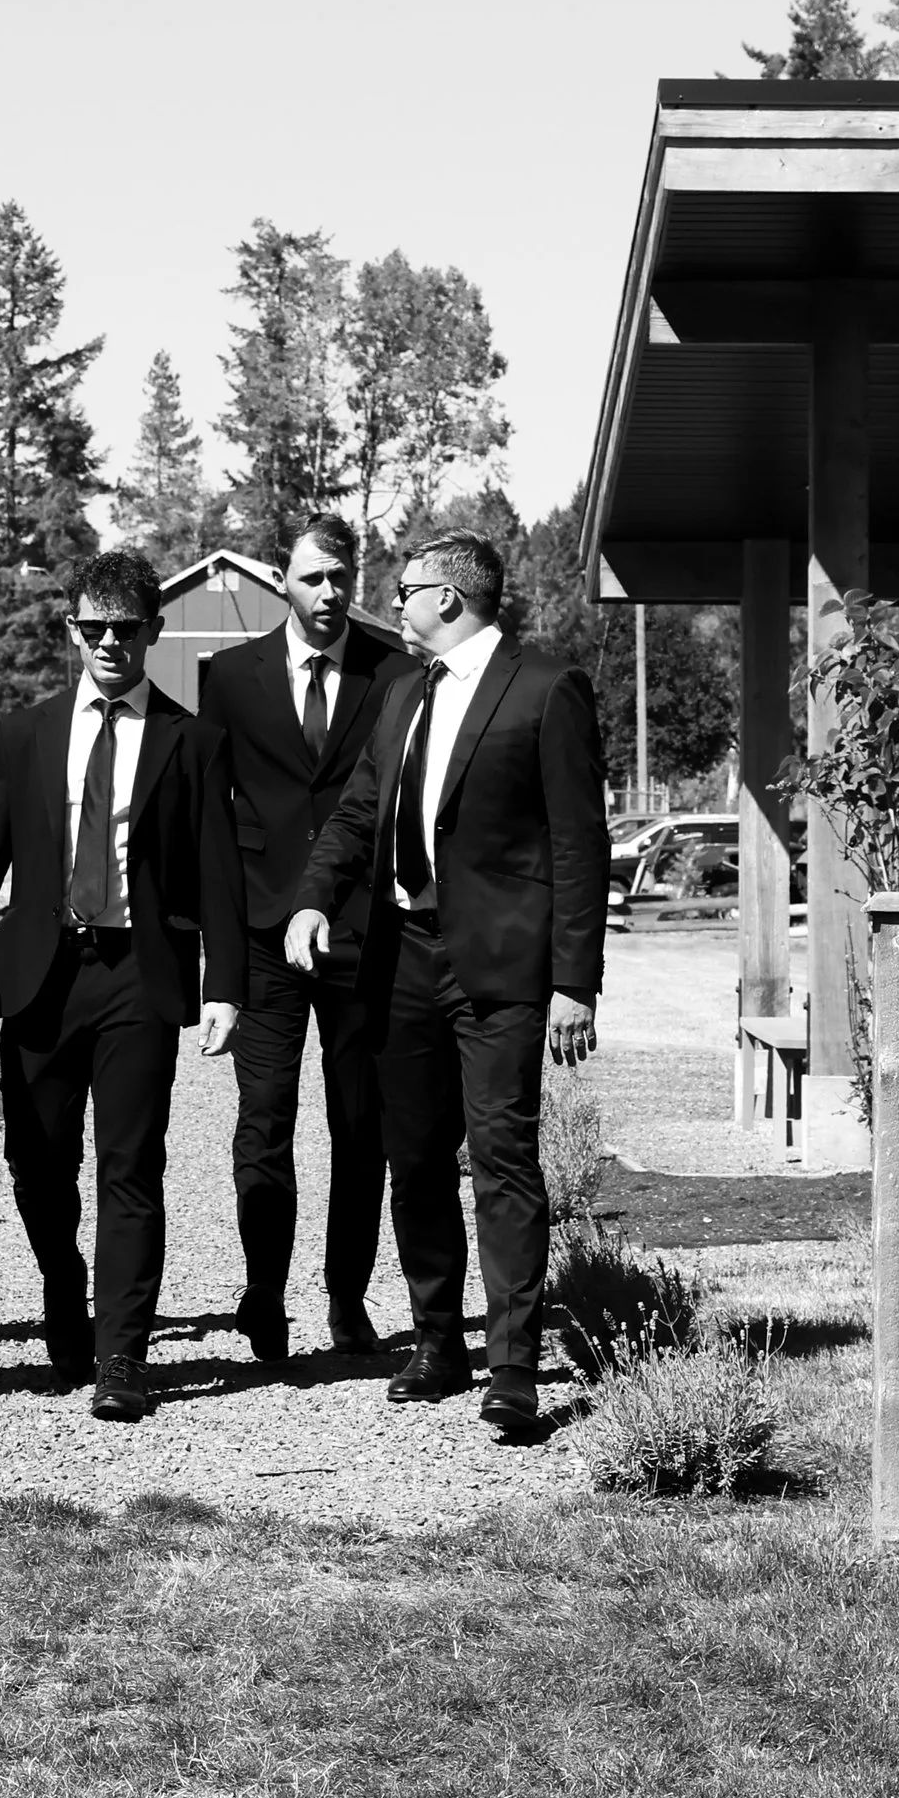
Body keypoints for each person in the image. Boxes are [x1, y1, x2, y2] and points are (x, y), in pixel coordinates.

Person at [285, 531, 609, 1445]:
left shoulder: (546, 688)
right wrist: (314, 900)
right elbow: (357, 813)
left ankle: (512, 1369)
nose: (393, 602)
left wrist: (574, 982)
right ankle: (438, 1341)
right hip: (400, 958)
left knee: (502, 1159)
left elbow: (580, 842)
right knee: (414, 1159)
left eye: (407, 588)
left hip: (502, 969)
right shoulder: (401, 691)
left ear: (452, 599)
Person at [0, 548, 245, 1424]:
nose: (111, 642)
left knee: (131, 1167)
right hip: (43, 972)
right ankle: (64, 1297)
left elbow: (220, 871)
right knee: (37, 1167)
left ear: (153, 632)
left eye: (128, 628)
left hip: (138, 977)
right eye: (94, 628)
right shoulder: (27, 734)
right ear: (73, 631)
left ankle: (122, 1358)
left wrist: (224, 982)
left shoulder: (192, 741)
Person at [197, 511, 402, 1368]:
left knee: (362, 1129)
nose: (329, 592)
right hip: (261, 932)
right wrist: (216, 955)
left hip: (361, 933)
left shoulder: (393, 671)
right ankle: (265, 1292)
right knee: (263, 1121)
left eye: (341, 577)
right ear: (283, 579)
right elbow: (213, 815)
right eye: (314, 577)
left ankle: (346, 1296)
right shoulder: (229, 677)